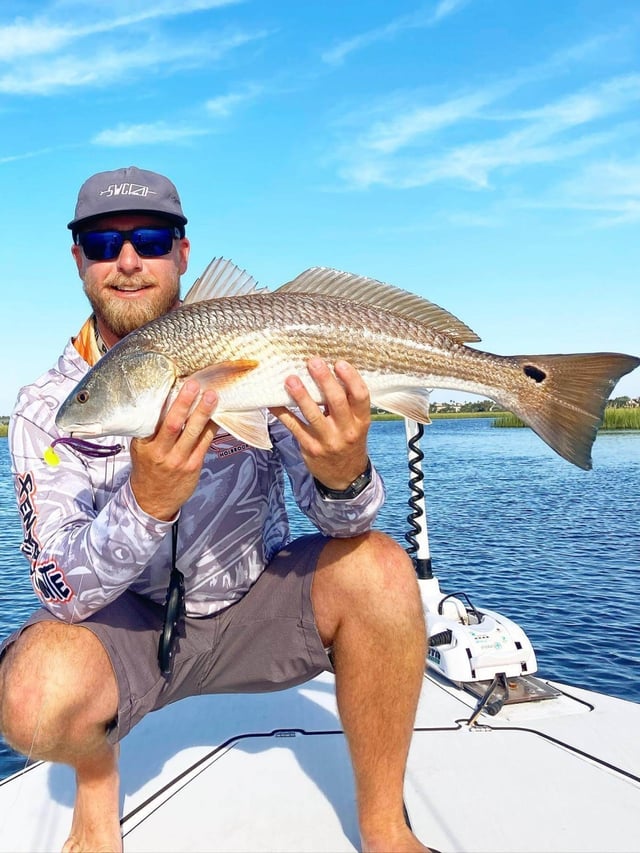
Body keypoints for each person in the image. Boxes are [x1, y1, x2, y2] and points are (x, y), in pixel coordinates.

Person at [0, 167, 429, 853]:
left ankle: (385, 826)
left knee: (381, 569)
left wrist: (346, 472)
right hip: (130, 628)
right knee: (31, 694)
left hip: (258, 596)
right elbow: (58, 587)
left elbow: (344, 527)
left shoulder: (253, 346)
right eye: (104, 243)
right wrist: (144, 506)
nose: (129, 260)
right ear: (78, 258)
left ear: (183, 253)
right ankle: (97, 778)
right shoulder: (42, 408)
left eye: (150, 237)